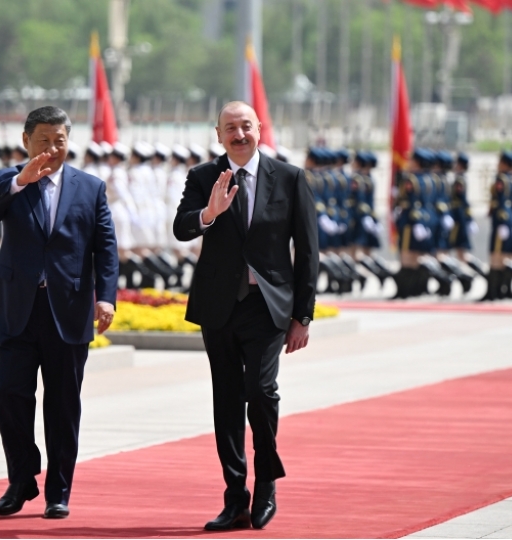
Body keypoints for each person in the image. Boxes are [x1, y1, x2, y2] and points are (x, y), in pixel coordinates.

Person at [173, 101, 318, 531]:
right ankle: (235, 498)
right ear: (218, 135)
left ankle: (266, 485)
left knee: (261, 391)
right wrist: (209, 213)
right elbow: (182, 227)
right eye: (230, 128)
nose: (239, 135)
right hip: (219, 305)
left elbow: (308, 251)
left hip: (267, 305)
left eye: (246, 126)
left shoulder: (289, 178)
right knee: (227, 400)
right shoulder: (203, 177)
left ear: (260, 129)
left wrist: (303, 316)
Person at [0, 106, 118, 520]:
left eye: (60, 141)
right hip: (17, 309)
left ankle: (59, 491)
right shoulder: (8, 180)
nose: (52, 149)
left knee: (62, 405)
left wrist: (106, 297)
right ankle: (21, 479)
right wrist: (22, 180)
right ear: (26, 141)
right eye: (44, 141)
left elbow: (105, 248)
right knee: (9, 395)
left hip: (68, 311)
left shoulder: (90, 187)